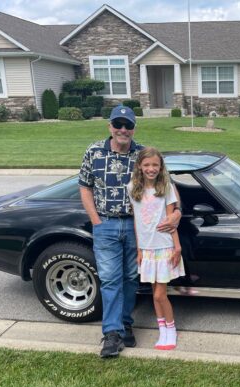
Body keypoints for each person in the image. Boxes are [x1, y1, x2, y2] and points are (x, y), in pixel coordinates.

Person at [79, 105, 181, 358]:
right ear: (110, 126)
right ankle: (112, 334)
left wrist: (176, 213)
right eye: (118, 124)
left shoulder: (141, 154)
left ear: (134, 128)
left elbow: (167, 185)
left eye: (128, 125)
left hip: (138, 228)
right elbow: (85, 187)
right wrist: (96, 221)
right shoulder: (94, 151)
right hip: (106, 223)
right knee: (110, 279)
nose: (123, 129)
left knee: (130, 278)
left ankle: (125, 324)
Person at [127, 147, 185, 350]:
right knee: (154, 293)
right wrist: (139, 249)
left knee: (161, 294)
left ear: (161, 167)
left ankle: (171, 329)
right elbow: (136, 221)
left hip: (164, 247)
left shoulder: (166, 187)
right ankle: (162, 330)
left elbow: (171, 221)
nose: (151, 168)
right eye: (146, 165)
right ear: (139, 166)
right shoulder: (132, 188)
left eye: (155, 165)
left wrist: (177, 247)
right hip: (147, 249)